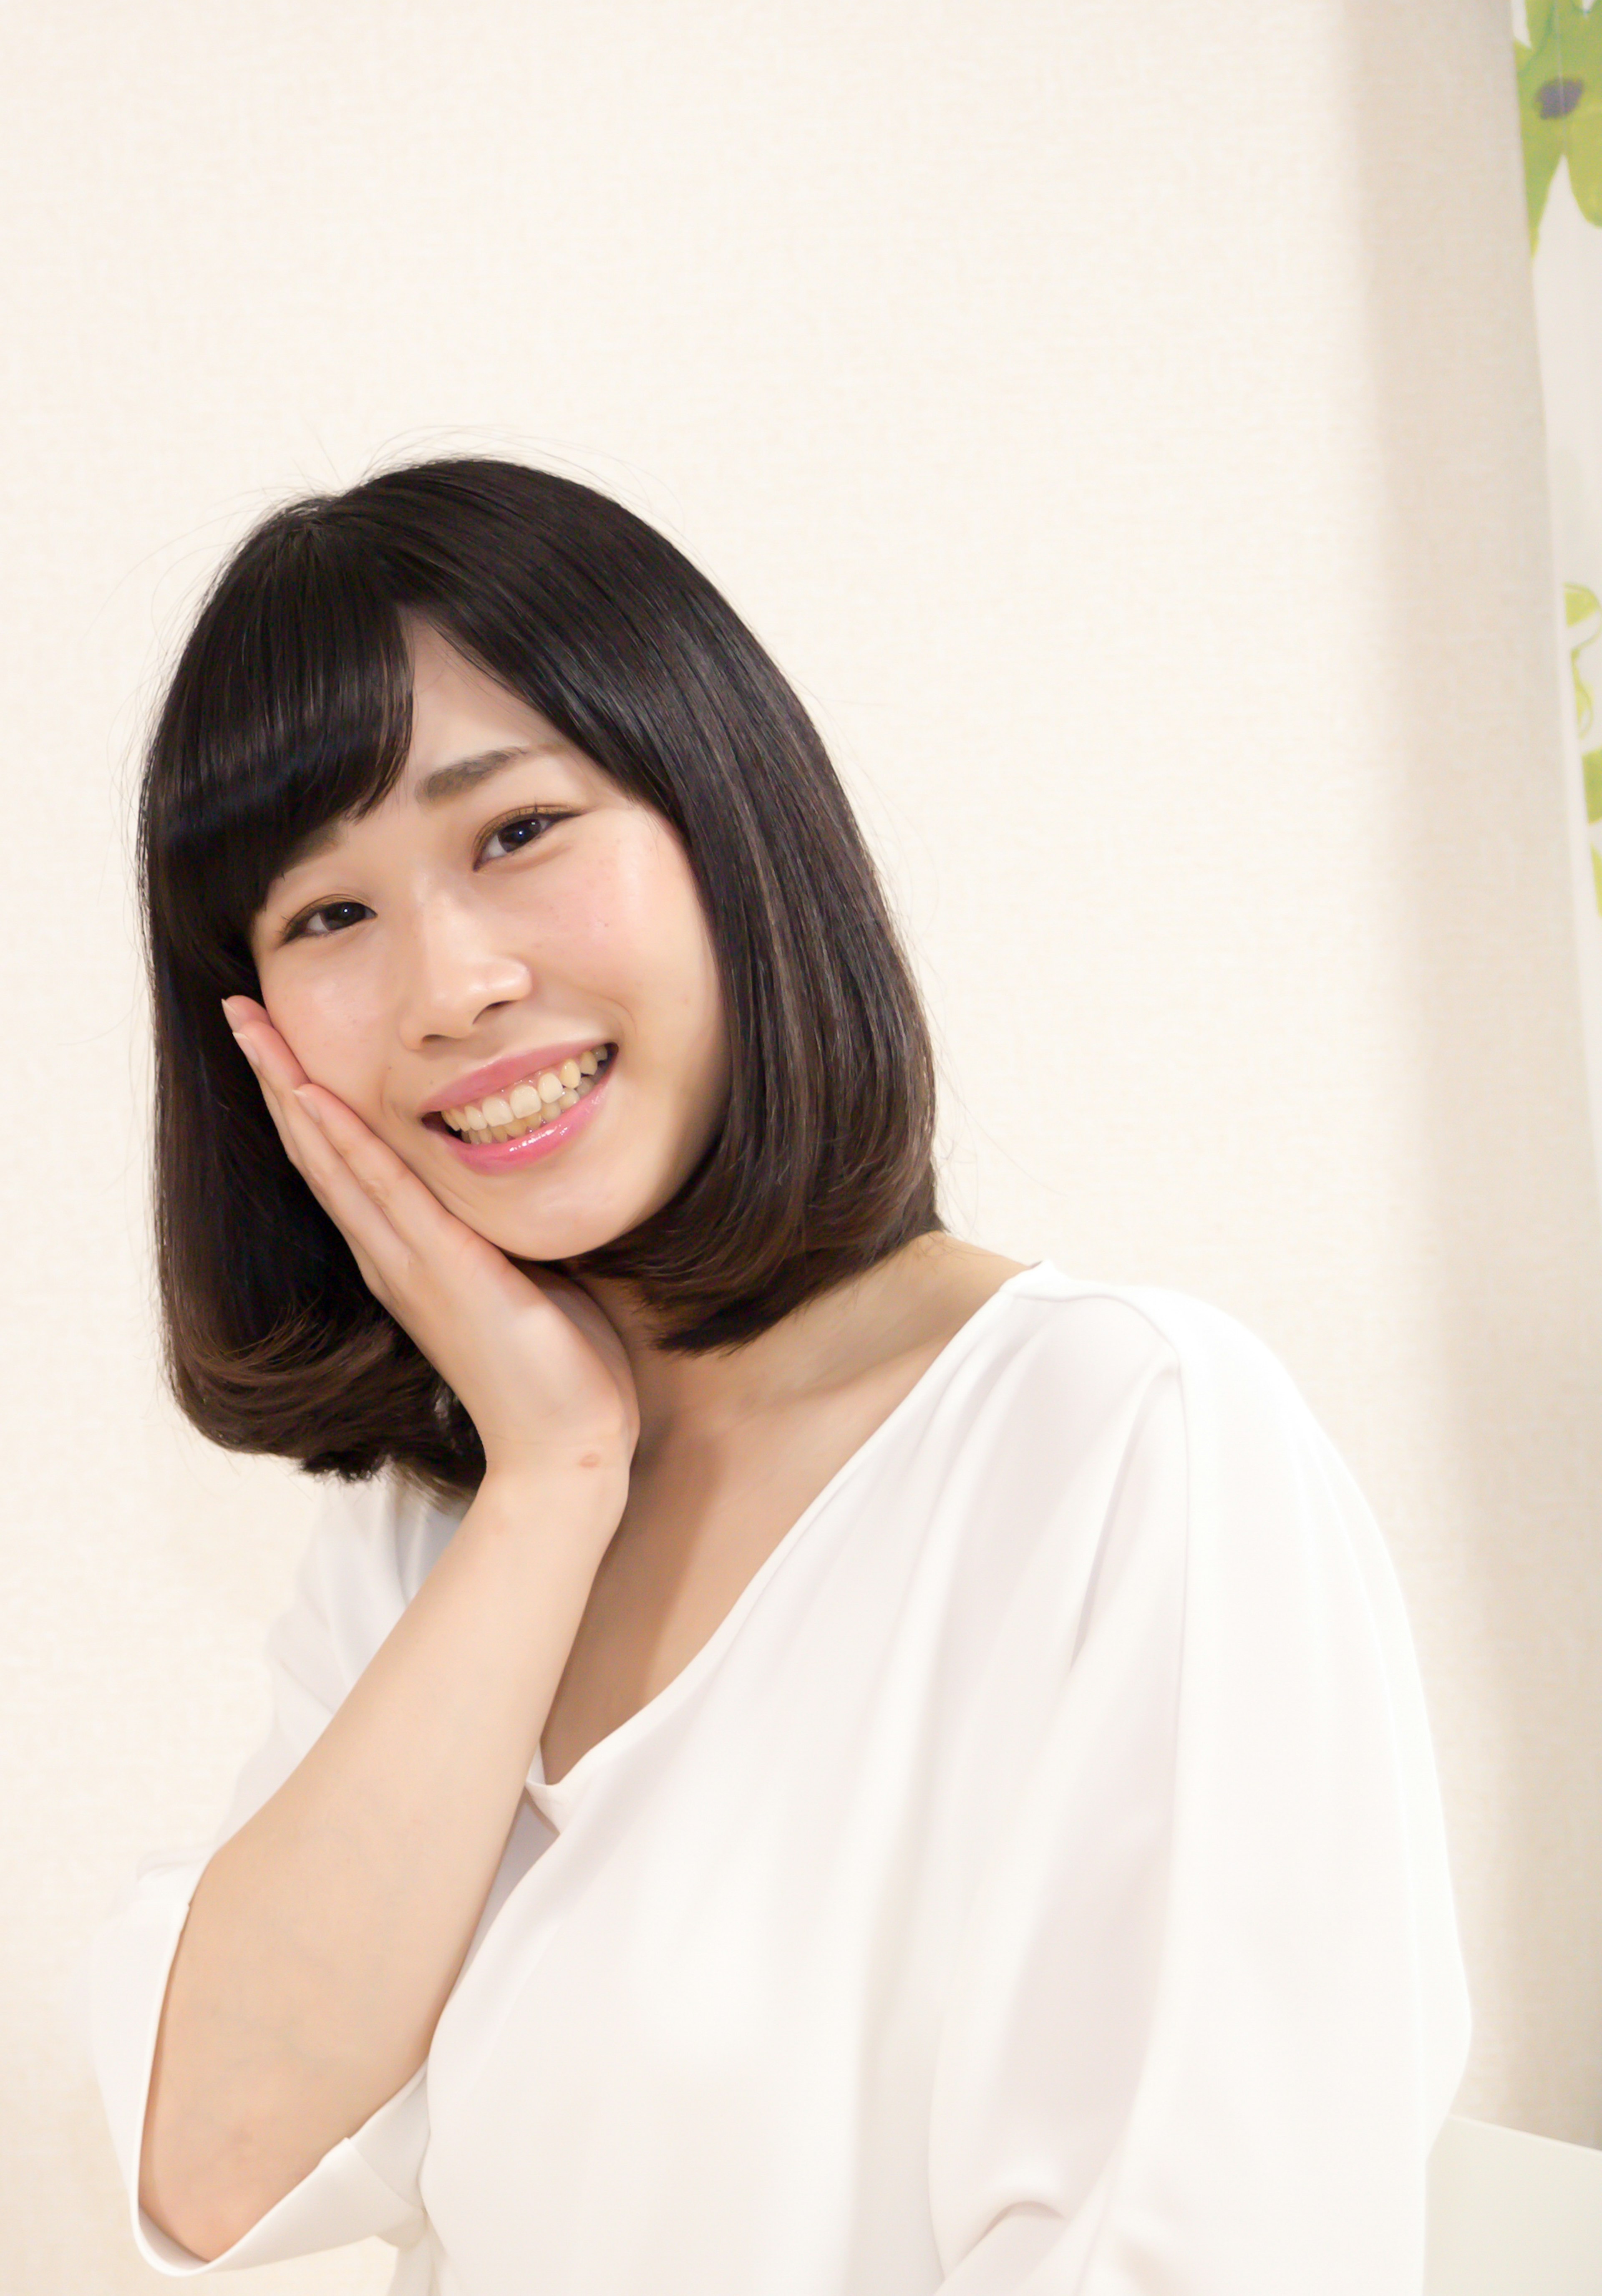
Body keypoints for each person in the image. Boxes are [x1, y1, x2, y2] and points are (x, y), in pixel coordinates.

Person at [78, 456, 1471, 2294]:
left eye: (514, 834)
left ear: (728, 824)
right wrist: (556, 1475)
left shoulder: (1123, 1438)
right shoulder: (439, 1539)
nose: (449, 983)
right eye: (325, 915)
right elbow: (216, 2163)